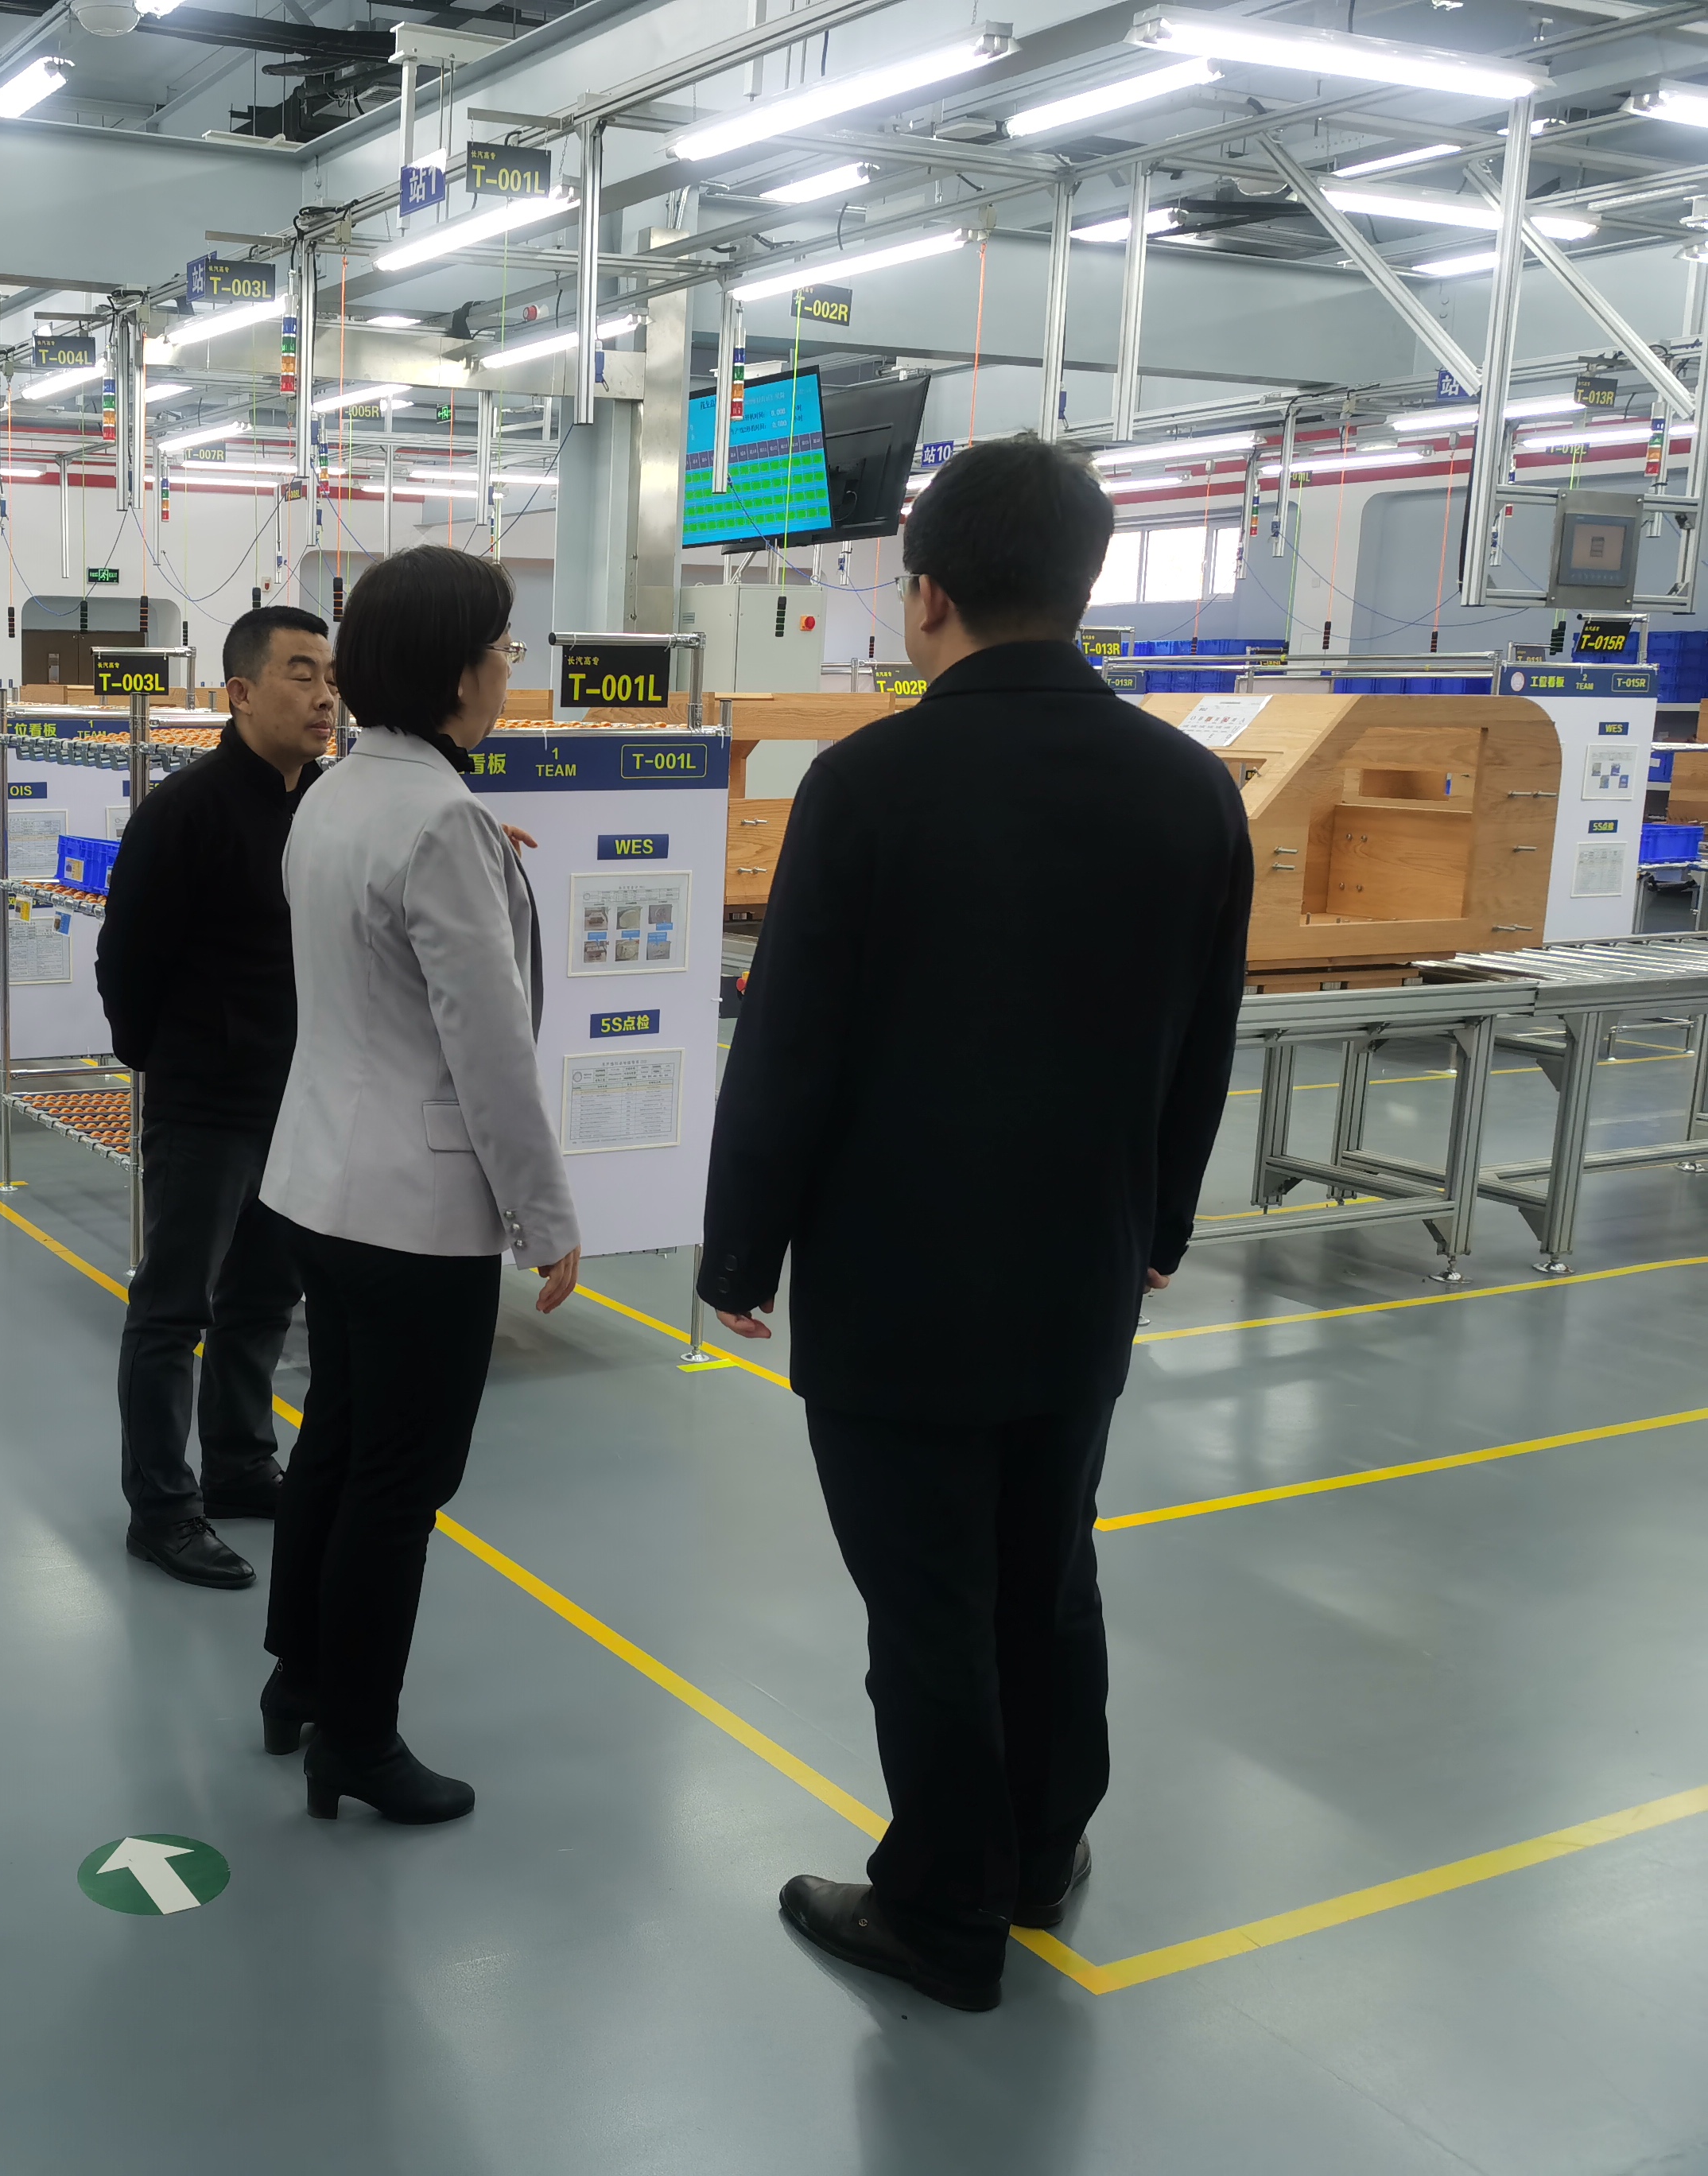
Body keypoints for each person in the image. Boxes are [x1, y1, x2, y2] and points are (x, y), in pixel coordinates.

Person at [698, 435, 1252, 2013]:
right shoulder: (1189, 788)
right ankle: (1036, 1851)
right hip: (1080, 1271)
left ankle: (941, 1908)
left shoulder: (869, 784)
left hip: (898, 1286)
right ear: (1082, 587)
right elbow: (1199, 1039)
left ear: (924, 593)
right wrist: (1160, 1222)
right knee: (1046, 1564)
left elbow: (792, 1042)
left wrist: (741, 1250)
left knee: (926, 1598)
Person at [256, 545, 583, 1827]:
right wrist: (546, 1218)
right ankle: (359, 1739)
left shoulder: (338, 793)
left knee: (337, 1444)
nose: (509, 669)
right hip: (415, 1210)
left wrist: (483, 860)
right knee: (401, 1483)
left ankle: (298, 1680)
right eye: (502, 648)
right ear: (455, 670)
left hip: (320, 1183)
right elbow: (487, 1051)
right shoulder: (440, 821)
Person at [95, 605, 335, 1592]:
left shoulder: (328, 805)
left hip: (298, 1095)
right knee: (174, 1305)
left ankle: (239, 1464)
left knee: (265, 1294)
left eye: (330, 676)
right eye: (300, 673)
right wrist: (165, 1060)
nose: (324, 696)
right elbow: (126, 957)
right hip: (206, 1099)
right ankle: (161, 1507)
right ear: (240, 692)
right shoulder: (184, 812)